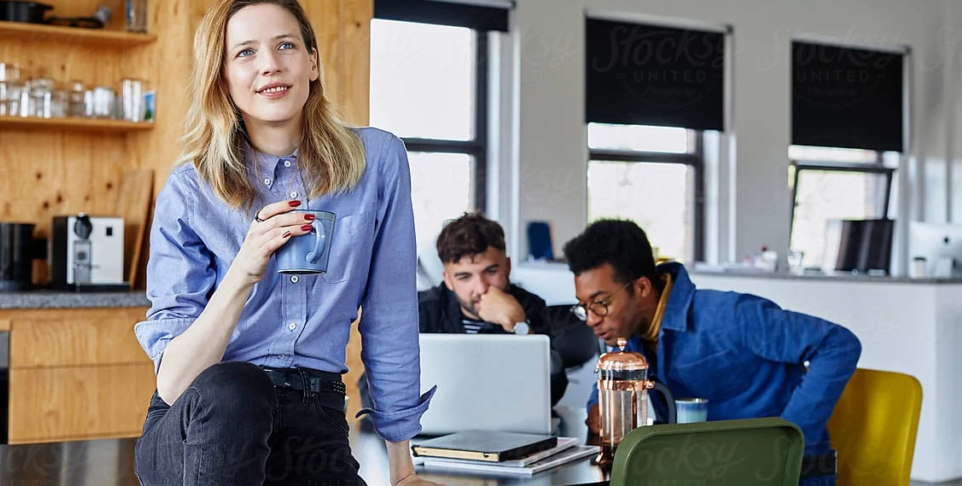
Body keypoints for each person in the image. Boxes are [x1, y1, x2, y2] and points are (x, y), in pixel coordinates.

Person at [132, 0, 438, 486]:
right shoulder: (189, 190)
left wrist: (403, 471)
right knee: (237, 386)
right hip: (203, 424)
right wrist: (243, 272)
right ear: (223, 78)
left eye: (286, 45)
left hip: (314, 420)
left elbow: (391, 315)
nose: (270, 65)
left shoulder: (378, 162)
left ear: (311, 62)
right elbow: (174, 383)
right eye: (245, 53)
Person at [563, 220, 860, 486]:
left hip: (783, 474)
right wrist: (597, 408)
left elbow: (838, 345)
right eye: (584, 306)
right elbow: (604, 386)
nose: (591, 319)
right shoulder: (630, 334)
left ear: (641, 288)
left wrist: (790, 437)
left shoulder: (730, 316)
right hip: (705, 471)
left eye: (600, 303)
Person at [357, 213, 568, 418]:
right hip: (429, 433)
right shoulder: (419, 311)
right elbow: (370, 394)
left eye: (491, 271)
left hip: (511, 430)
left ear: (508, 267)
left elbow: (553, 393)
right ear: (448, 280)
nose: (481, 288)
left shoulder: (529, 306)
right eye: (465, 277)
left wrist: (520, 325)